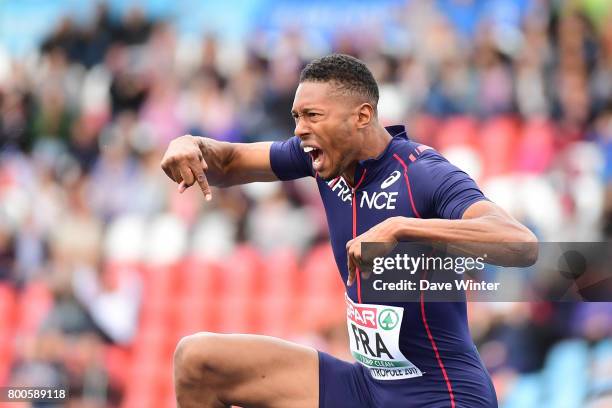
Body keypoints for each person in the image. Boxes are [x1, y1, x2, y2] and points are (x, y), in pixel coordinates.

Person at [161, 54, 537, 408]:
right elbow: (226, 163)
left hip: (442, 393)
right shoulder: (319, 157)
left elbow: (521, 245)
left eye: (312, 116)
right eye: (296, 117)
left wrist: (403, 228)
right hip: (369, 387)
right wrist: (189, 144)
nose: (299, 130)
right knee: (198, 361)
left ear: (362, 116)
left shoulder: (423, 173)